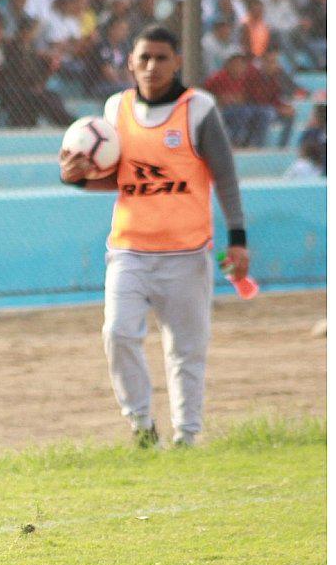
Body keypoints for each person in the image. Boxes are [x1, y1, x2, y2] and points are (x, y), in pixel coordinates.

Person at [59, 26, 249, 449]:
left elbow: (225, 176)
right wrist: (75, 179)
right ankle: (142, 425)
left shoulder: (198, 109)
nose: (151, 66)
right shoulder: (116, 109)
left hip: (187, 253)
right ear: (130, 61)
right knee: (118, 334)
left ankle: (187, 437)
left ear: (177, 61)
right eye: (143, 58)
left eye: (161, 58)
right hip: (129, 251)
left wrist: (237, 237)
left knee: (186, 349)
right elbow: (118, 179)